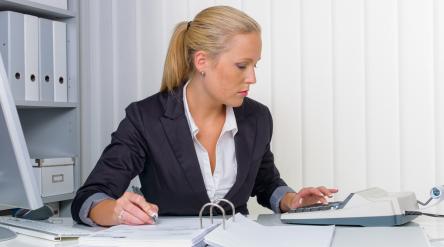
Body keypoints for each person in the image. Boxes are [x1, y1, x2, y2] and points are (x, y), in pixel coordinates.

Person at [71, 5, 338, 226]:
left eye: (254, 65)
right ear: (202, 62)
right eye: (242, 66)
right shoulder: (145, 118)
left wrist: (292, 200)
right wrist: (115, 211)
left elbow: (265, 181)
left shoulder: (257, 118)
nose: (252, 78)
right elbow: (90, 197)